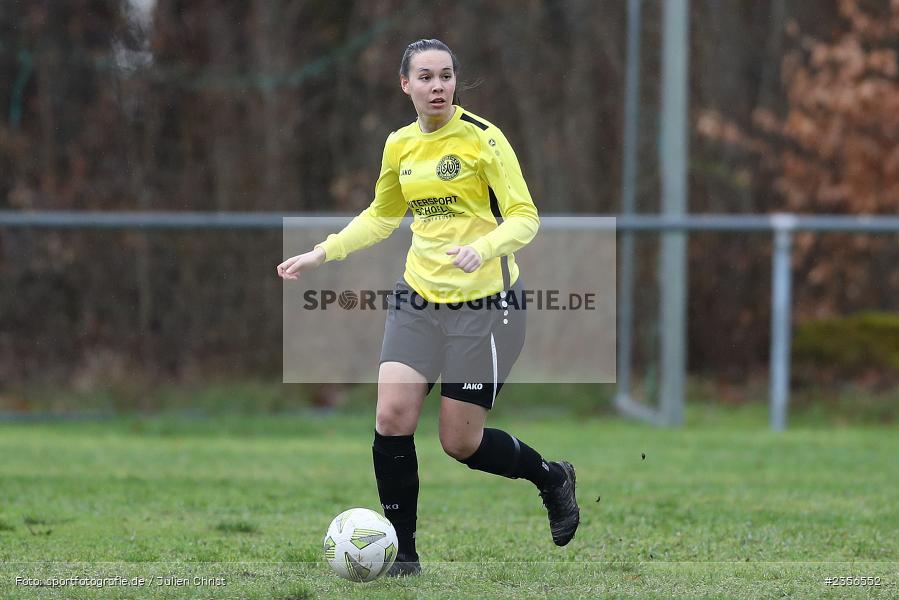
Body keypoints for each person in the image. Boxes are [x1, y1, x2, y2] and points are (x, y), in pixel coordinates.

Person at [277, 39, 579, 577]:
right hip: (417, 298)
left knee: (459, 442)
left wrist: (482, 249)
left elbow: (525, 217)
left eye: (445, 76)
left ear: (455, 82)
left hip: (487, 305)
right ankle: (404, 553)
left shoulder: (484, 139)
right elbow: (381, 215)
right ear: (406, 84)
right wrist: (323, 251)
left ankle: (551, 477)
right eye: (425, 77)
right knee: (391, 417)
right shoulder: (399, 145)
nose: (437, 86)